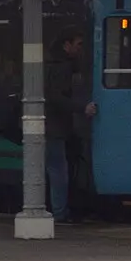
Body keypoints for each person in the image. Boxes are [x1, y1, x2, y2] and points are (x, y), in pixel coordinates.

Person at [45, 27, 96, 223]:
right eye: (79, 44)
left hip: (54, 125)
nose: (81, 49)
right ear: (66, 46)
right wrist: (82, 107)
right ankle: (60, 212)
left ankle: (59, 209)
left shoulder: (53, 64)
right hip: (54, 127)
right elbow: (56, 97)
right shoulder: (63, 67)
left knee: (56, 167)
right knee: (58, 169)